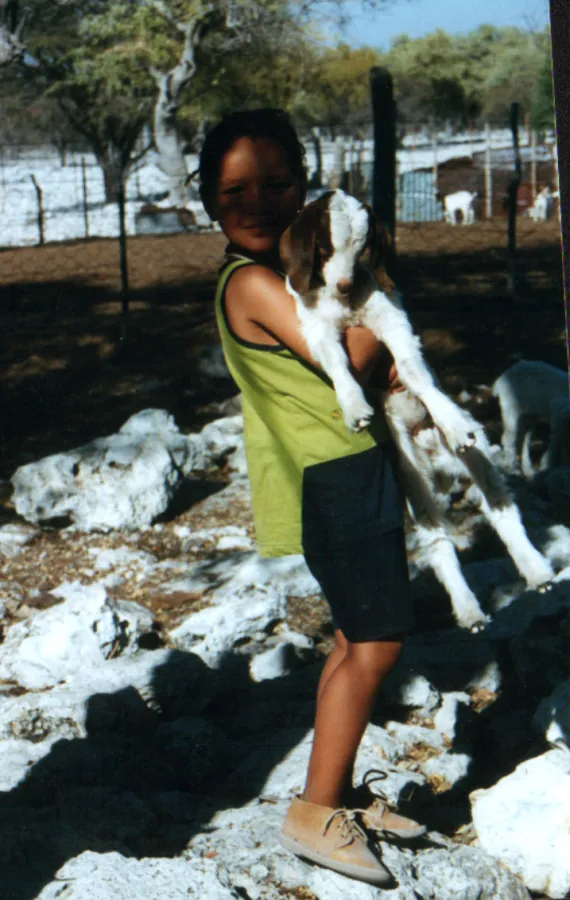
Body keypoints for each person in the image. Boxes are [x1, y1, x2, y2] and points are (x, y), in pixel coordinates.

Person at [197, 108, 426, 886]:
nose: (257, 202)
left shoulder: (281, 278)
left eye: (277, 183)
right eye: (235, 191)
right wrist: (371, 289)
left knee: (350, 639)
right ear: (205, 201)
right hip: (336, 477)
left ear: (305, 183)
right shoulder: (255, 284)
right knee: (379, 644)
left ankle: (336, 793)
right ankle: (314, 813)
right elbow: (356, 354)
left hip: (346, 470)